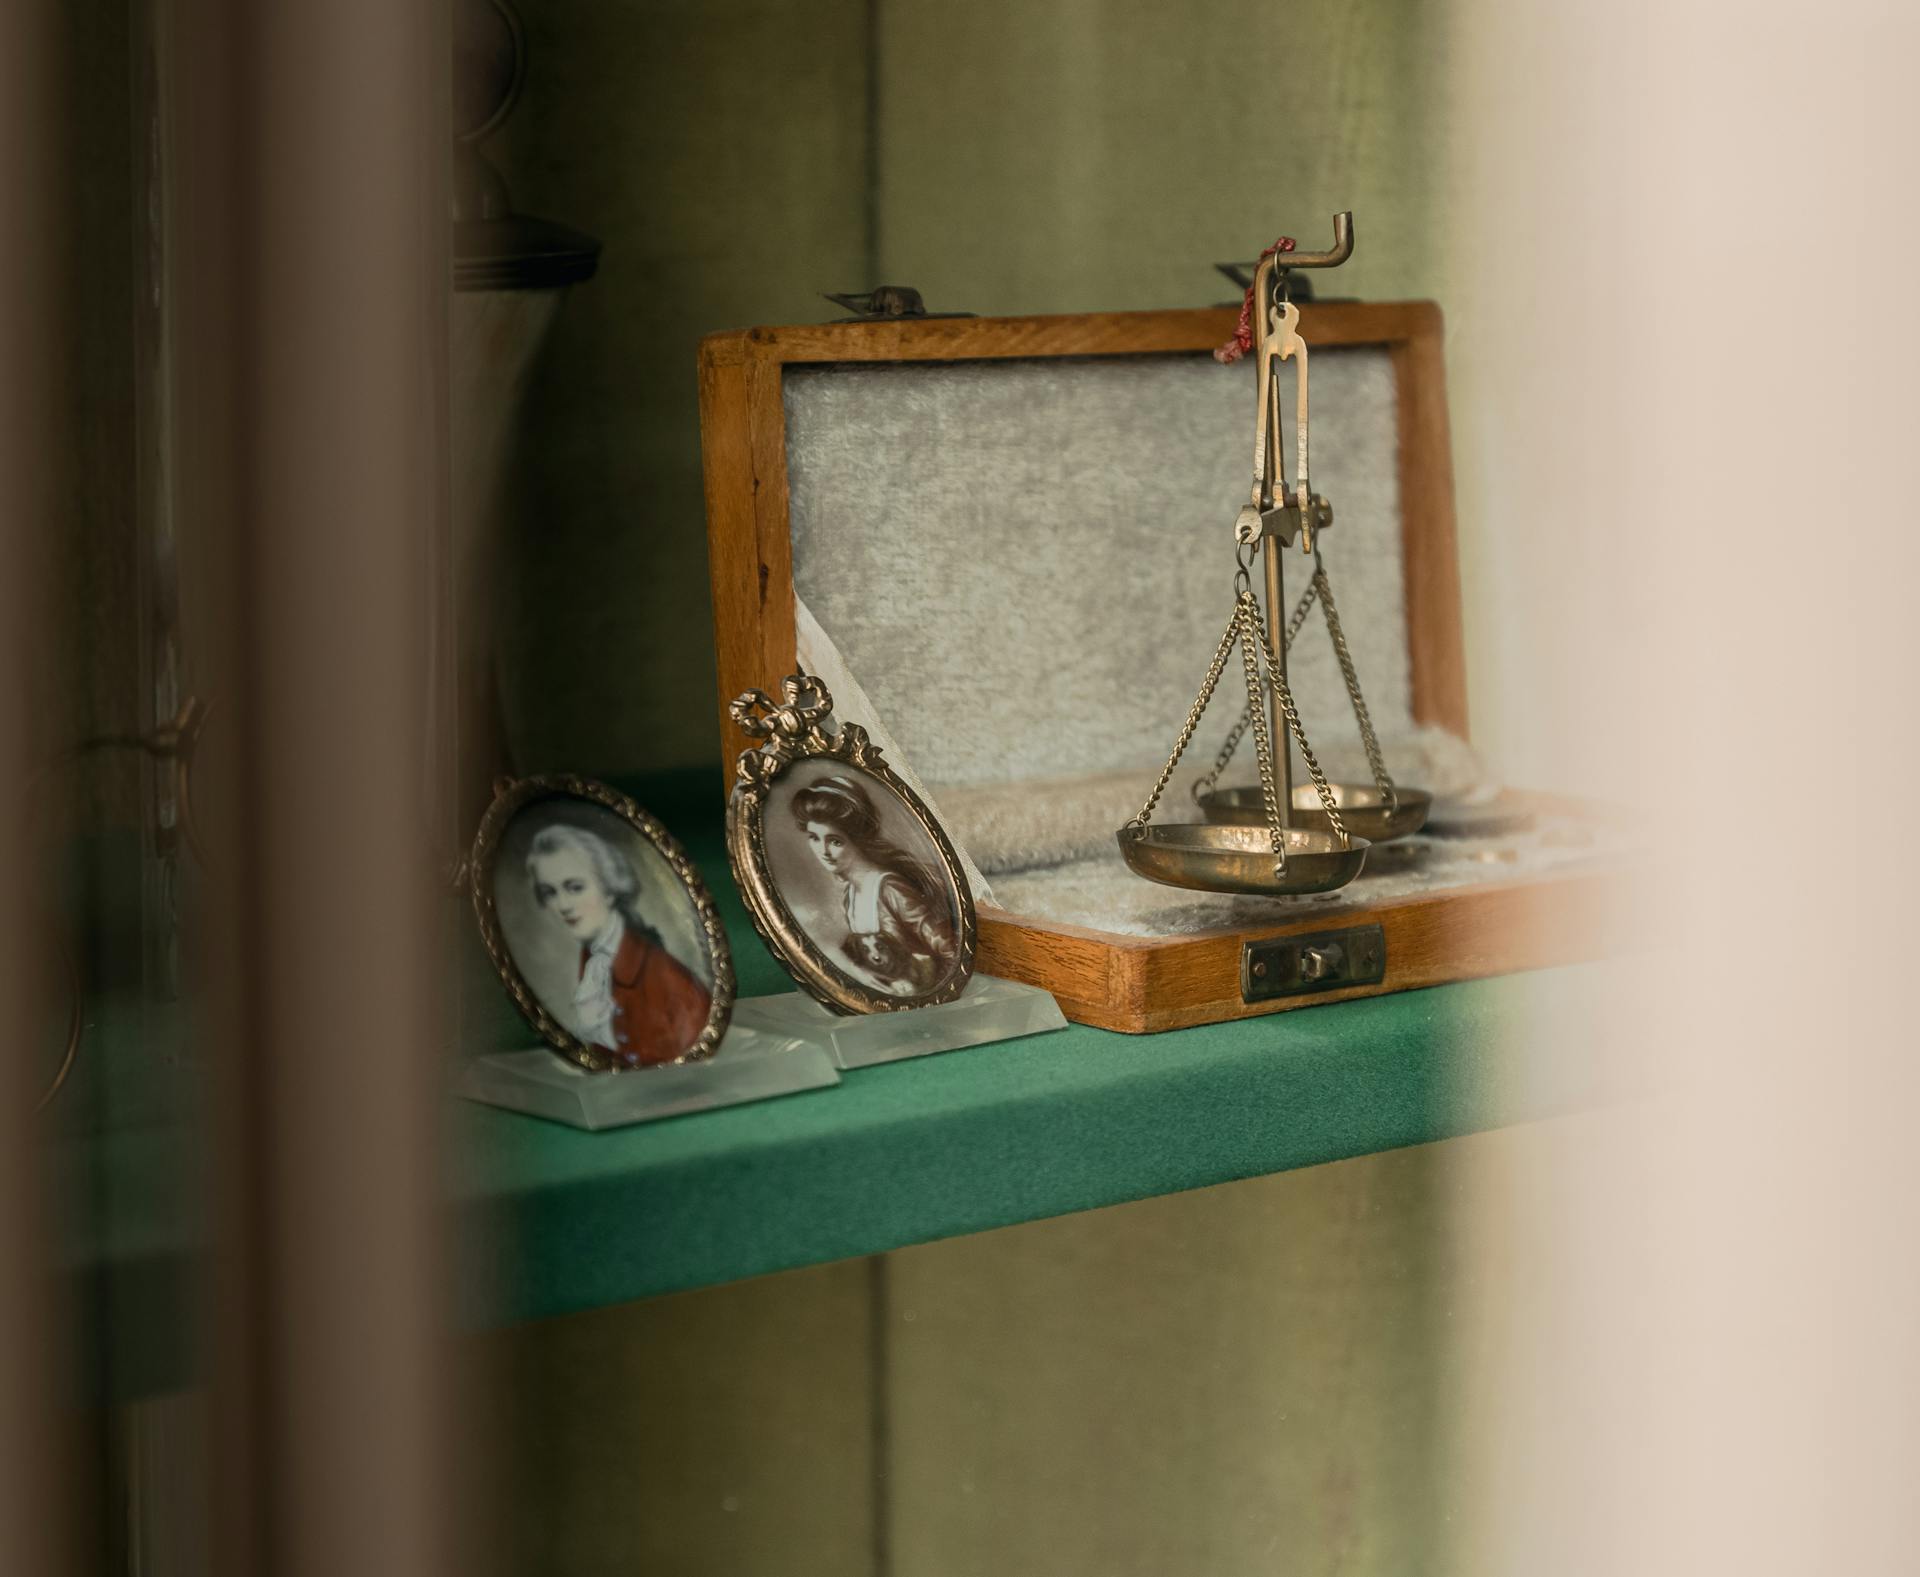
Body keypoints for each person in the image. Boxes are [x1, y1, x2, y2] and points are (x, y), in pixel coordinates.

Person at [525, 822, 710, 1066]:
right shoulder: (593, 960)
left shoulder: (666, 977)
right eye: (550, 892)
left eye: (575, 888)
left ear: (609, 887)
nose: (563, 905)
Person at [792, 773, 957, 995]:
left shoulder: (890, 889)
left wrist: (927, 991)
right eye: (814, 838)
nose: (823, 852)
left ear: (856, 839)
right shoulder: (850, 895)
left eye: (835, 841)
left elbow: (951, 954)